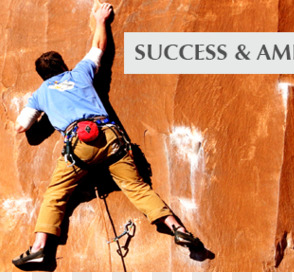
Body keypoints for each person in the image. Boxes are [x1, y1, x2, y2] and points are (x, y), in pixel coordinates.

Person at [11, 2, 198, 268]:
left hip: (79, 146)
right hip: (111, 139)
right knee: (138, 188)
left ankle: (40, 248)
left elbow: (22, 126)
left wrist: (46, 112)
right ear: (63, 64)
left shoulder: (41, 93)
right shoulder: (79, 72)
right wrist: (101, 20)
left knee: (55, 194)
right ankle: (177, 227)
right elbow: (99, 47)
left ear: (42, 76)